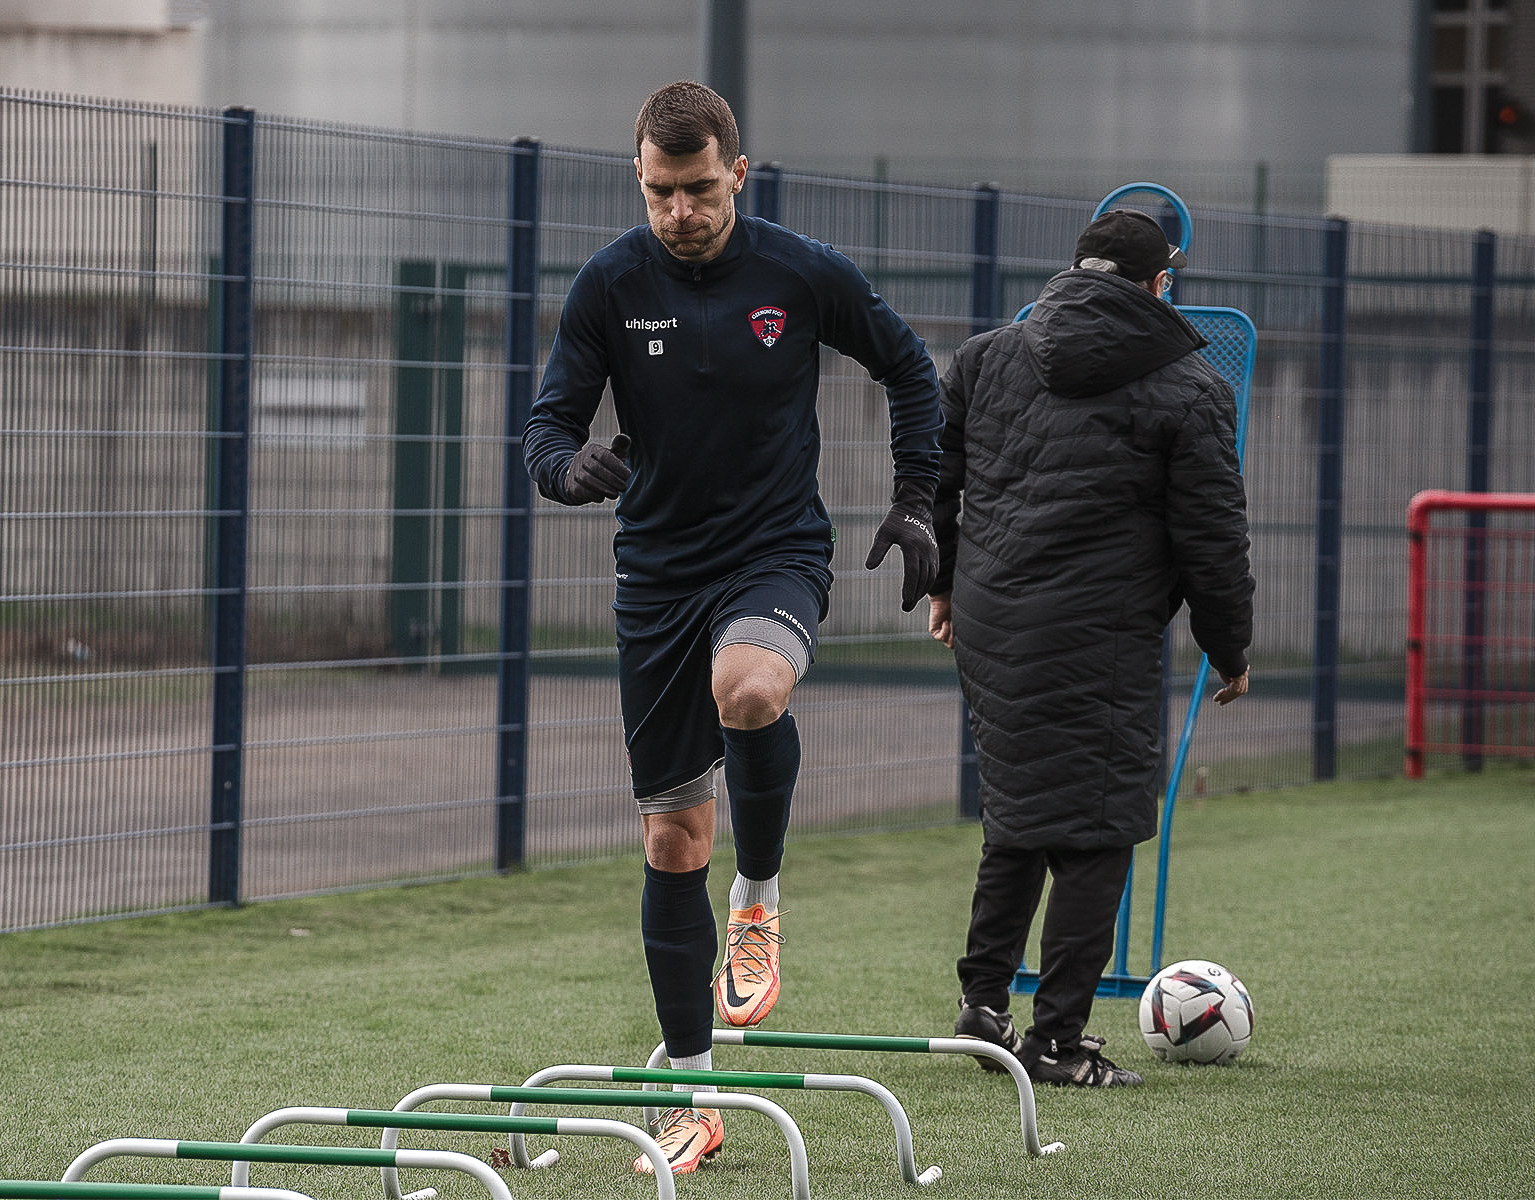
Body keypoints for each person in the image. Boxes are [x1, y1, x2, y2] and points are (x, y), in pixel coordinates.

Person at [522, 80, 943, 1172]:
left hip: (774, 554)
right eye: (661, 193)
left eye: (700, 190)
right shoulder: (610, 285)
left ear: (737, 174)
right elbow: (545, 427)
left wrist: (918, 496)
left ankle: (757, 899)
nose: (681, 212)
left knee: (750, 690)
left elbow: (907, 367)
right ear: (640, 181)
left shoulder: (798, 273)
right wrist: (572, 470)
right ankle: (690, 1087)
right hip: (657, 580)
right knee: (669, 841)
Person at [928, 208, 1254, 1088]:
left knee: (1020, 810)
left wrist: (945, 585)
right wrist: (1230, 647)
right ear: (1161, 285)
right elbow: (1212, 537)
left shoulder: (986, 357)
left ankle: (982, 1004)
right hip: (1100, 631)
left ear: (1074, 272)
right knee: (1099, 827)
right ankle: (1058, 1042)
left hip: (991, 622)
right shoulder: (1191, 389)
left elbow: (940, 476)